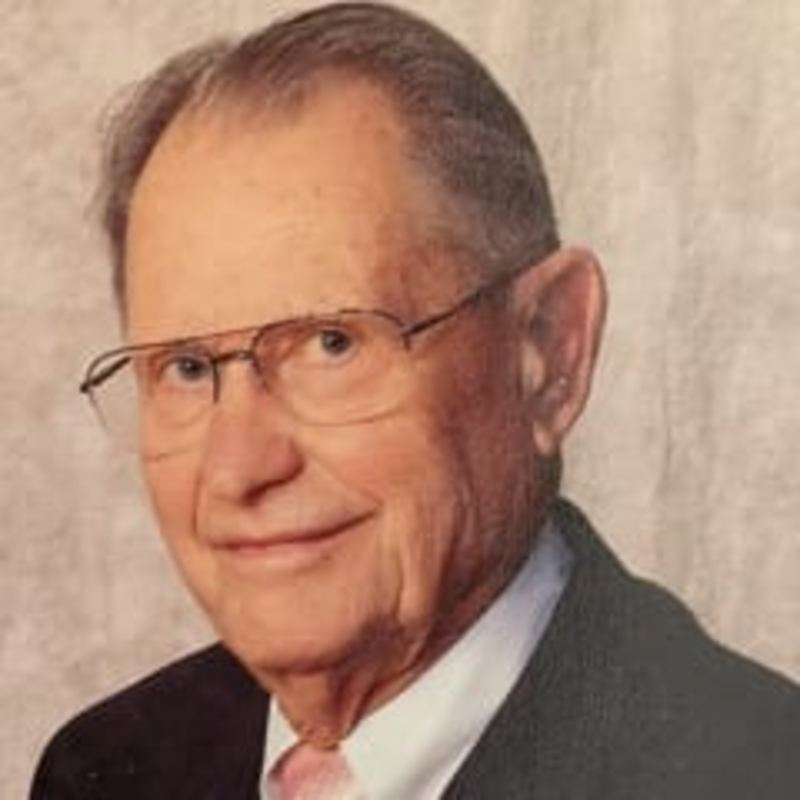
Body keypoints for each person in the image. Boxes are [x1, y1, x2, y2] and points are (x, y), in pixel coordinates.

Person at [30, 3, 799, 798]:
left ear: (550, 351)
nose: (238, 468)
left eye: (332, 343)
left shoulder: (755, 774)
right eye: (188, 368)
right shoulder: (103, 771)